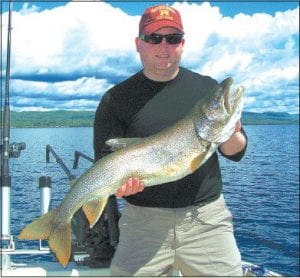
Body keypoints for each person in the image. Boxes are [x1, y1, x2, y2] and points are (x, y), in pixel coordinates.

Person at [93, 4, 247, 276]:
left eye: (173, 38)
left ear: (182, 44)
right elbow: (105, 161)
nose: (164, 45)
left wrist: (231, 131)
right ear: (138, 44)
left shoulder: (207, 88)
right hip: (142, 223)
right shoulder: (115, 99)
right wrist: (120, 187)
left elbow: (235, 152)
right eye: (154, 38)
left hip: (206, 221)